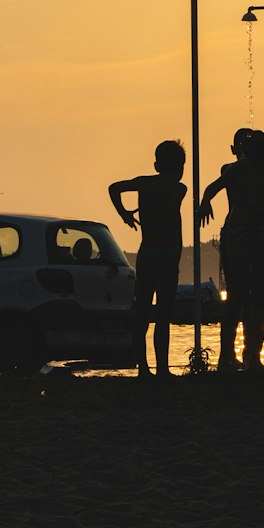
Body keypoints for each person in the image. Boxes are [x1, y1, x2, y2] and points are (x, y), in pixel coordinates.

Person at [200, 127, 264, 374]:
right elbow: (212, 188)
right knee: (241, 297)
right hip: (242, 233)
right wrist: (205, 202)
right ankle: (230, 356)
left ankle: (252, 355)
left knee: (257, 297)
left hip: (259, 234)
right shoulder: (242, 169)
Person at [109, 140, 187, 380]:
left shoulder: (145, 184)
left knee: (142, 312)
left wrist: (124, 214)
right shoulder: (179, 188)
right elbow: (172, 213)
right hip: (167, 254)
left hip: (148, 252)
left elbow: (114, 188)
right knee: (163, 314)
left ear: (156, 164)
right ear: (180, 167)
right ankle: (161, 368)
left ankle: (143, 368)